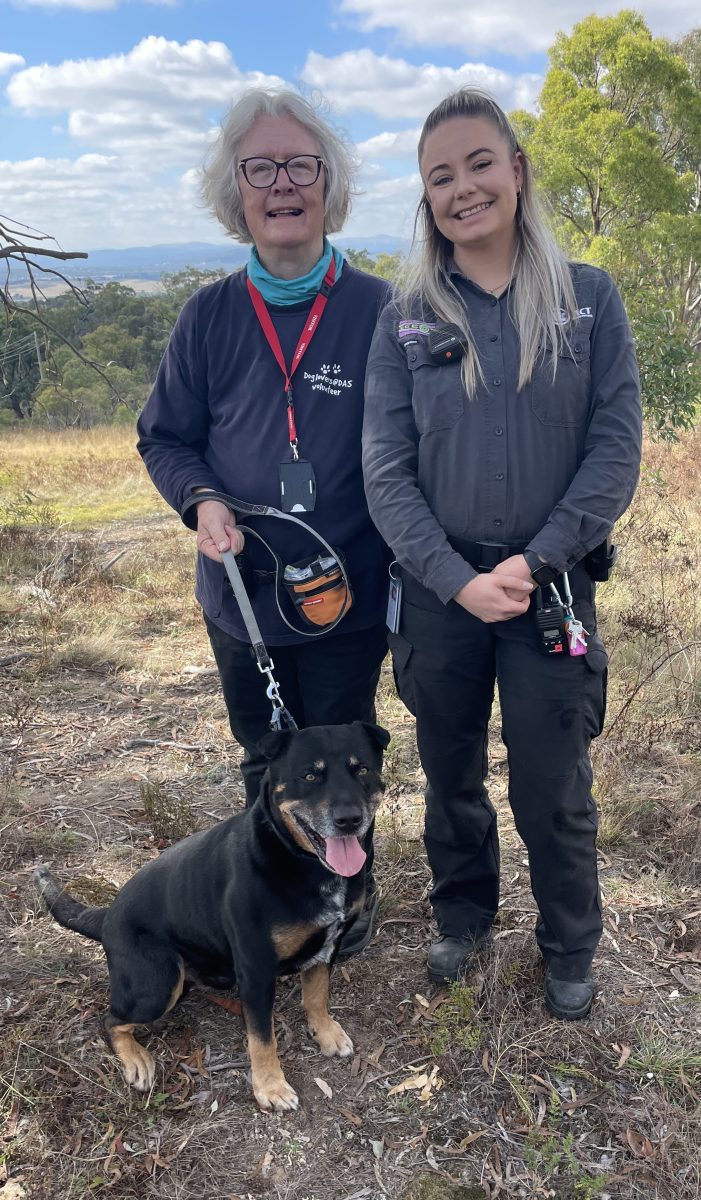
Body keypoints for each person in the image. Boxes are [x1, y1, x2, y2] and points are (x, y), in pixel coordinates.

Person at [362, 88, 642, 1017]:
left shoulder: (587, 299)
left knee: (552, 780)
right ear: (425, 197)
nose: (462, 188)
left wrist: (541, 558)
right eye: (438, 175)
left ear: (517, 171)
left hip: (550, 588)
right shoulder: (406, 314)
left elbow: (615, 447)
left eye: (479, 163)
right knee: (448, 768)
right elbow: (385, 467)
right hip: (440, 594)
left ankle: (568, 942)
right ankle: (463, 912)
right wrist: (454, 579)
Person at [137, 89, 390, 957]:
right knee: (266, 758)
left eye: (300, 165)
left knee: (346, 762)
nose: (282, 184)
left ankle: (347, 905)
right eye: (260, 167)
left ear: (329, 183)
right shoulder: (207, 316)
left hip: (347, 598)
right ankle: (271, 911)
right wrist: (201, 498)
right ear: (236, 190)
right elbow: (163, 436)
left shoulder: (382, 311)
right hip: (240, 597)